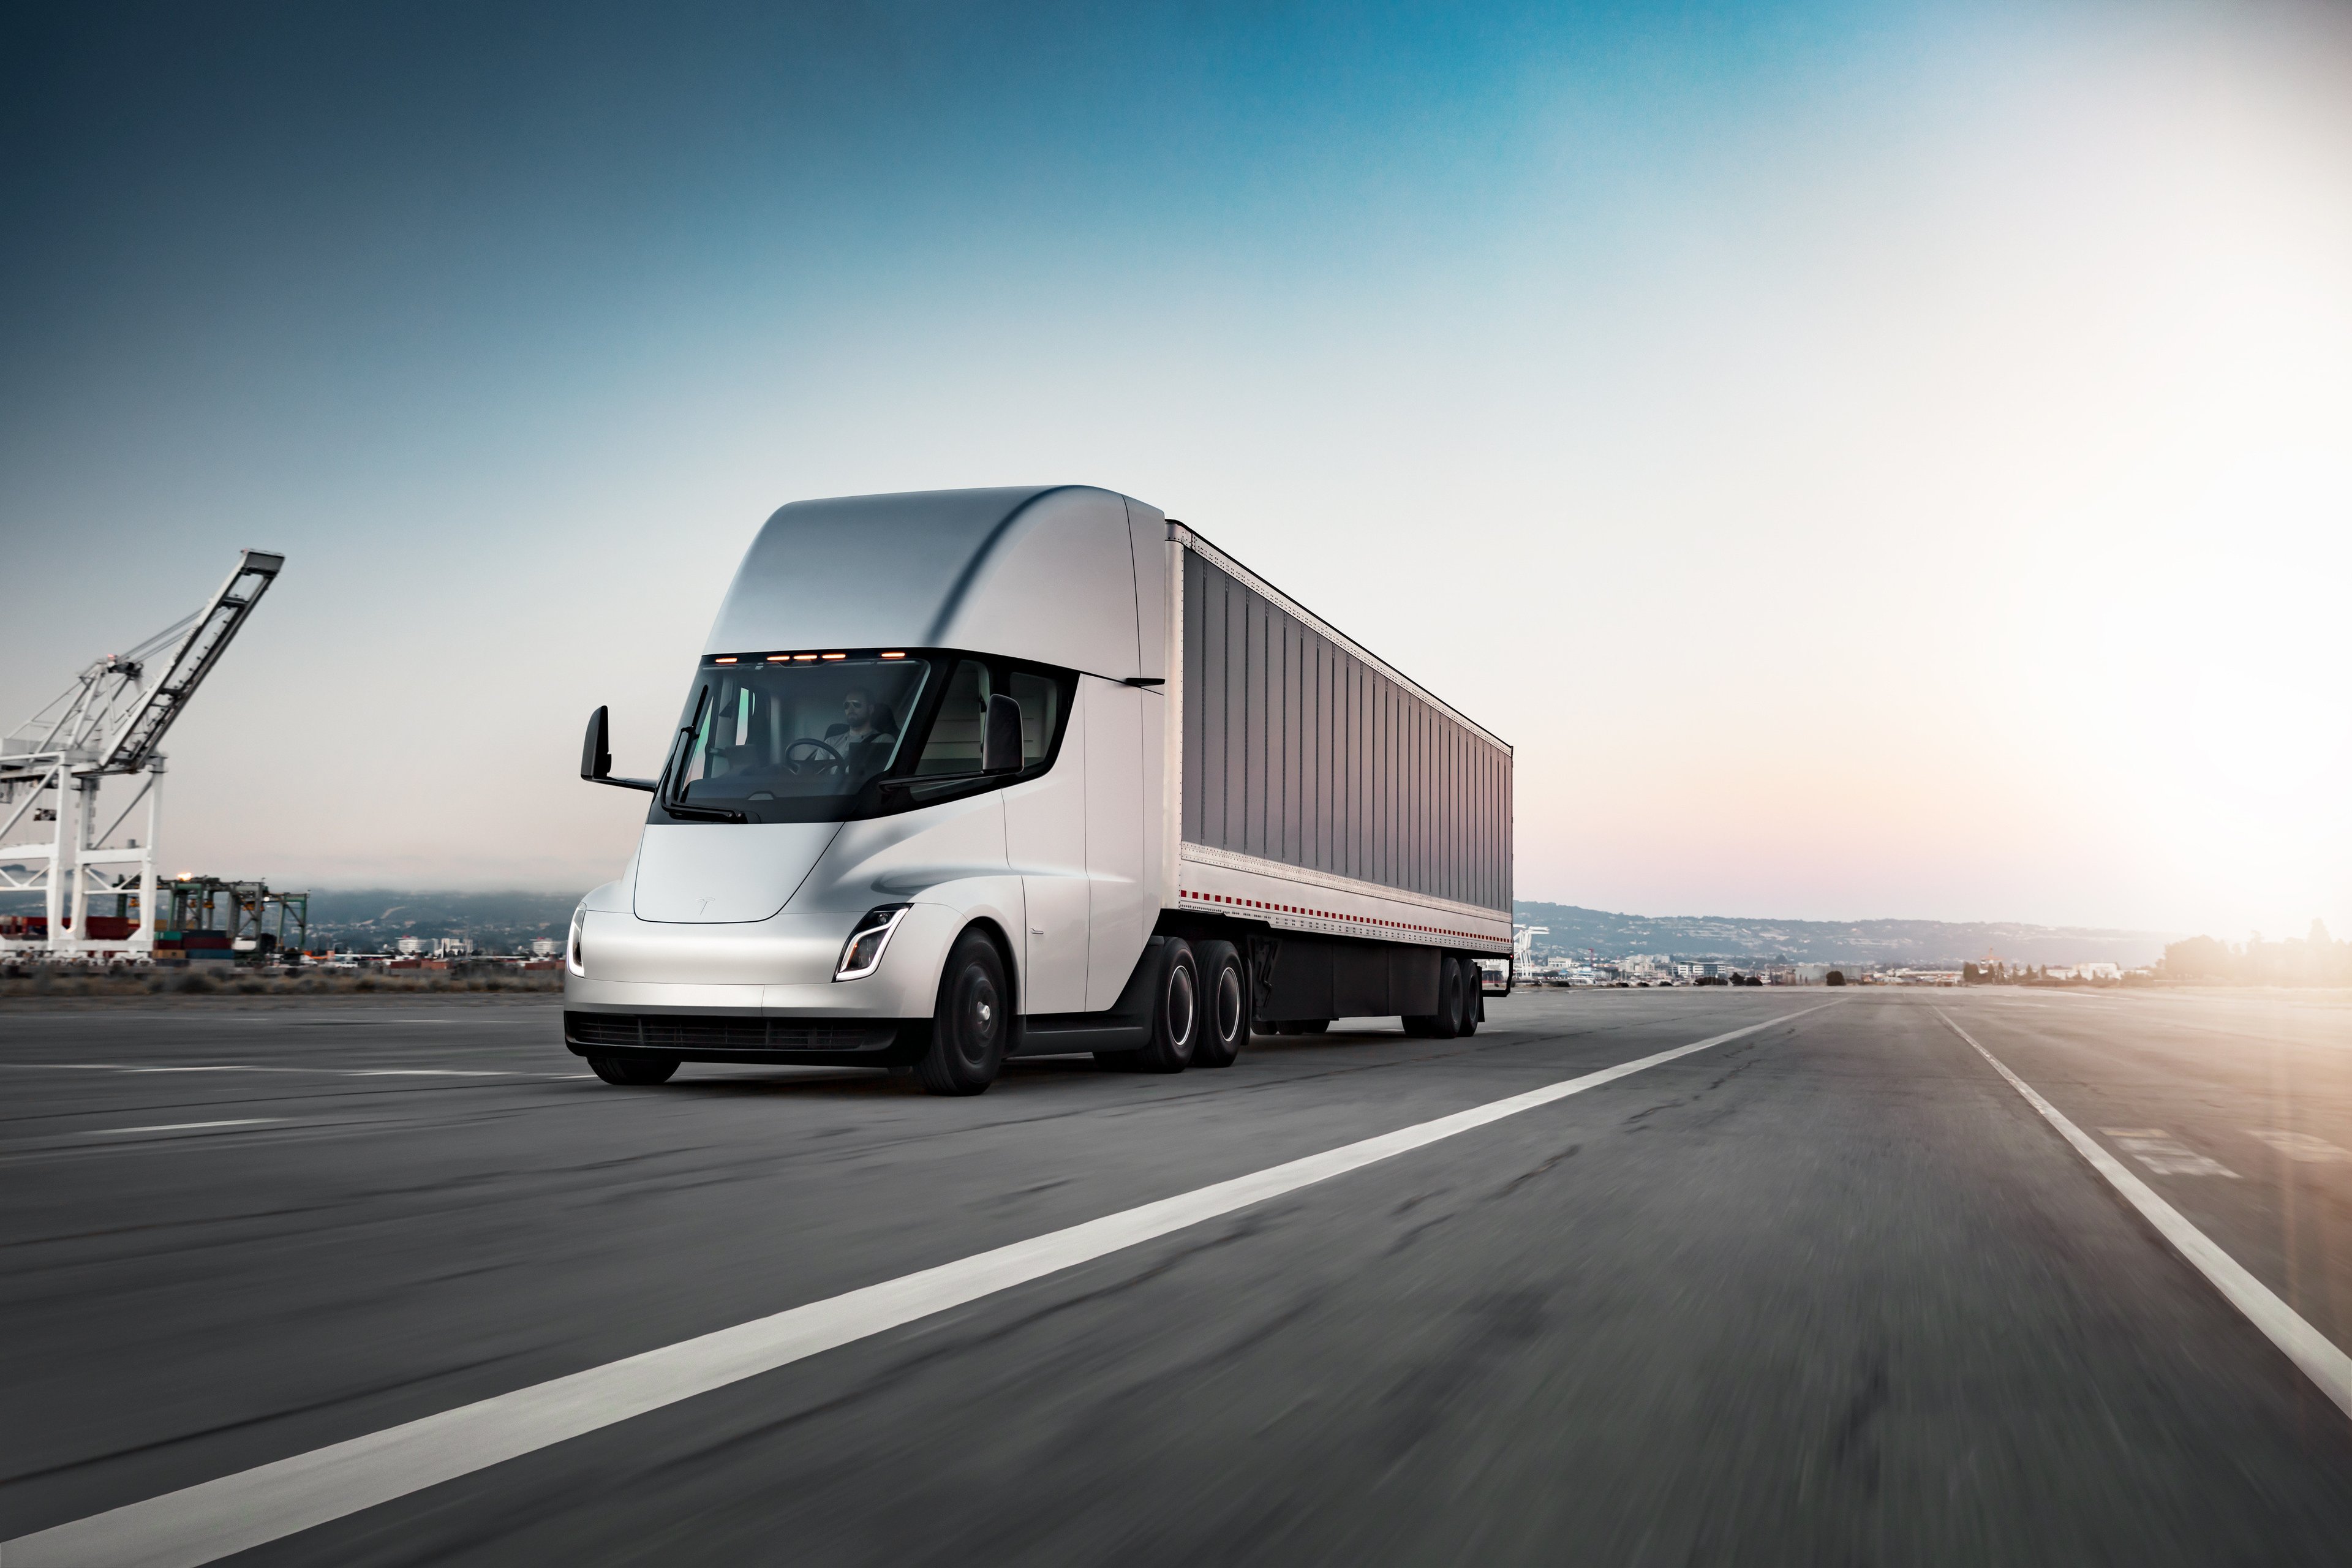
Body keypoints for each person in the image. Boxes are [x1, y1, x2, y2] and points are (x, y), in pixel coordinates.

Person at [824, 688, 897, 777]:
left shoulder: (884, 740)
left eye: (856, 704)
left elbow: (882, 777)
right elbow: (815, 774)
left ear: (870, 709)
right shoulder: (829, 742)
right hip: (833, 790)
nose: (850, 710)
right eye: (846, 705)